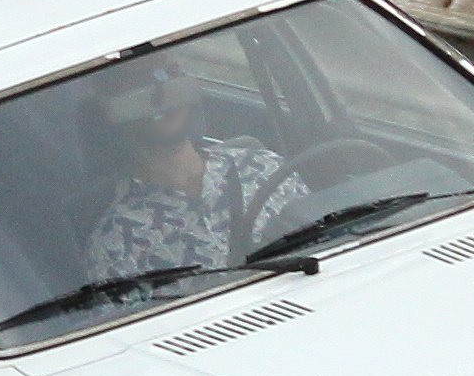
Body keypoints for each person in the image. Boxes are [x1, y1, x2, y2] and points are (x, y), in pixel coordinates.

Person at [85, 55, 308, 280]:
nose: (161, 92)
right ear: (113, 111)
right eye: (140, 84)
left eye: (170, 75)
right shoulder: (117, 240)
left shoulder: (264, 167)